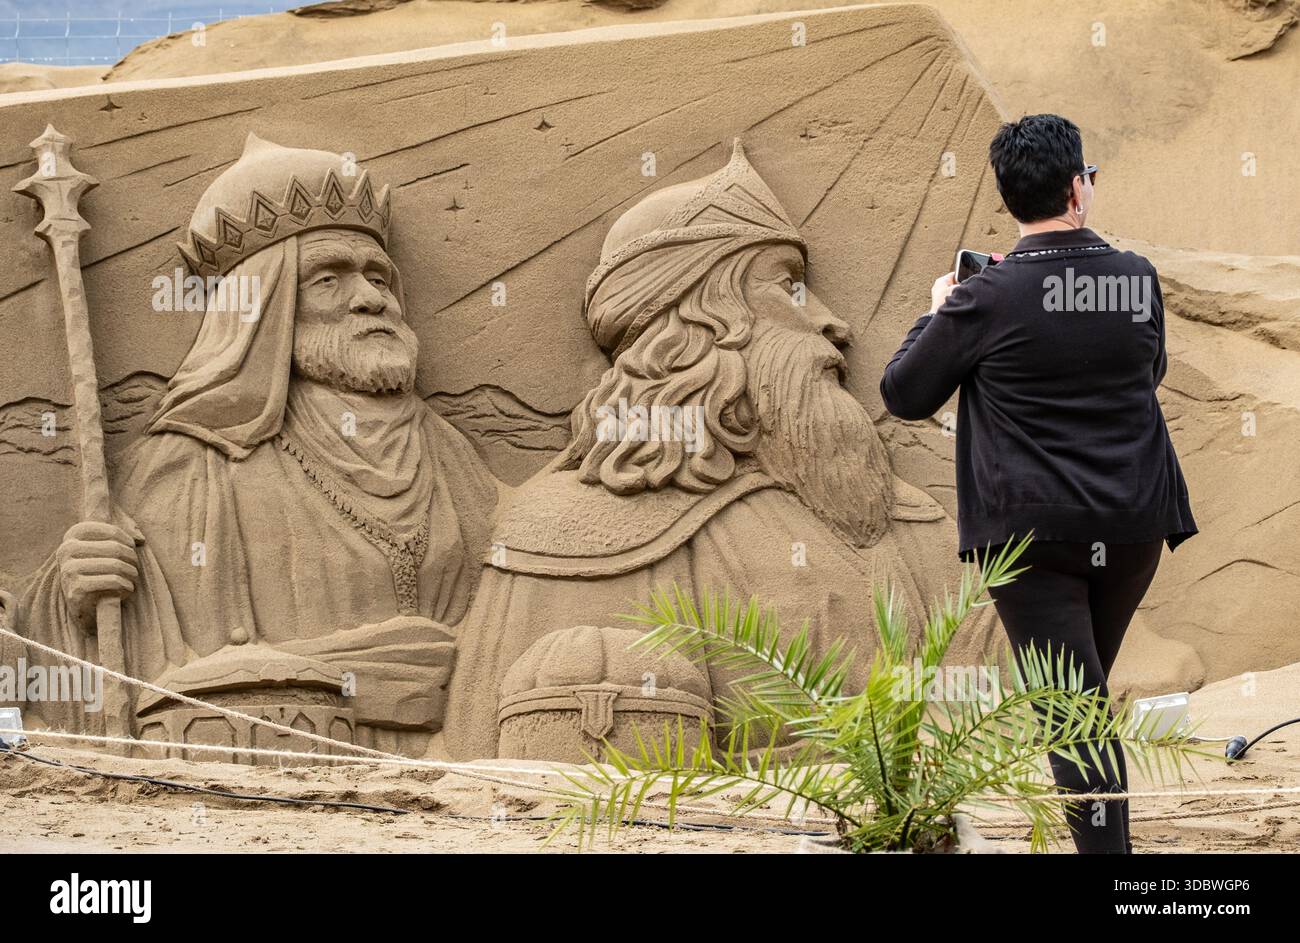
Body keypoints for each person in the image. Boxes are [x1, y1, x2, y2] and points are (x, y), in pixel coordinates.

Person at [879, 114, 1197, 853]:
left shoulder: (981, 298)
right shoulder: (1135, 279)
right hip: (1133, 525)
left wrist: (935, 312)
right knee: (1077, 706)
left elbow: (904, 393)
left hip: (1030, 540)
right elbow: (1147, 373)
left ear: (1010, 197)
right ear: (1076, 189)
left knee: (1072, 714)